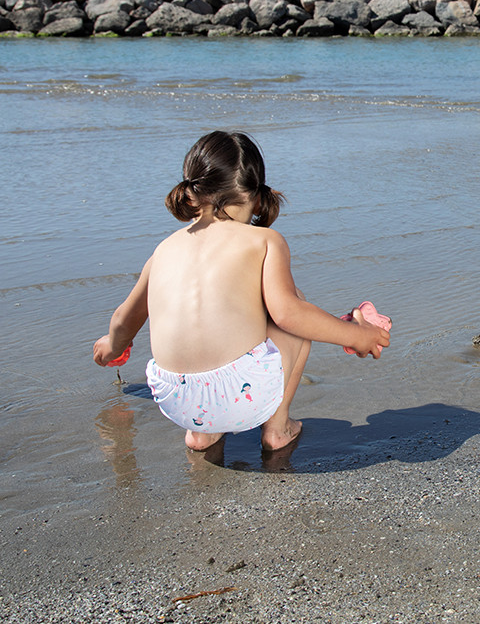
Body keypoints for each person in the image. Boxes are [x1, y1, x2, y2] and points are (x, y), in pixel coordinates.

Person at [93, 131, 390, 452]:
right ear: (258, 197)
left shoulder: (163, 250)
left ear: (190, 195)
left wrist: (112, 347)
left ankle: (203, 434)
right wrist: (356, 336)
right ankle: (277, 429)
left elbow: (126, 319)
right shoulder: (264, 241)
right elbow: (290, 316)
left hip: (174, 399)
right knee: (295, 304)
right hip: (240, 395)